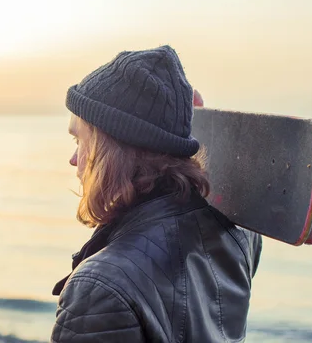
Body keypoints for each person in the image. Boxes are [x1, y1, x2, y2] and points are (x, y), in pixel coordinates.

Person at [50, 45, 262, 342]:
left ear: (109, 152)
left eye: (80, 140)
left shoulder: (99, 285)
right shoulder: (240, 234)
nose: (74, 159)